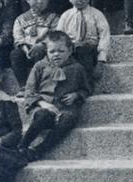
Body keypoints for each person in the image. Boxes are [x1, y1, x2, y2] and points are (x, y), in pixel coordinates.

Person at [20, 31, 91, 161]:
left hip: (65, 107)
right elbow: (29, 91)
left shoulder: (77, 68)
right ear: (46, 51)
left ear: (70, 50)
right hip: (43, 105)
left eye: (61, 51)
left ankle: (39, 149)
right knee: (42, 116)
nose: (56, 54)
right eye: (52, 51)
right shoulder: (40, 66)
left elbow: (86, 89)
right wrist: (42, 103)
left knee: (69, 119)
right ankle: (22, 145)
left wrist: (76, 95)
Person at [57, 0, 111, 83]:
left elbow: (104, 37)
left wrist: (101, 60)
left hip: (90, 49)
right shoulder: (66, 16)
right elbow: (60, 36)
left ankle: (85, 86)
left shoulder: (97, 15)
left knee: (84, 52)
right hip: (71, 50)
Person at [10, 0, 60, 92]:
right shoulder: (21, 19)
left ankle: (38, 84)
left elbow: (55, 35)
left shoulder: (53, 18)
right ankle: (23, 85)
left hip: (44, 50)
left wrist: (42, 44)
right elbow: (18, 36)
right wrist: (24, 48)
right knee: (15, 54)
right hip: (26, 50)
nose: (40, 1)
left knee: (40, 52)